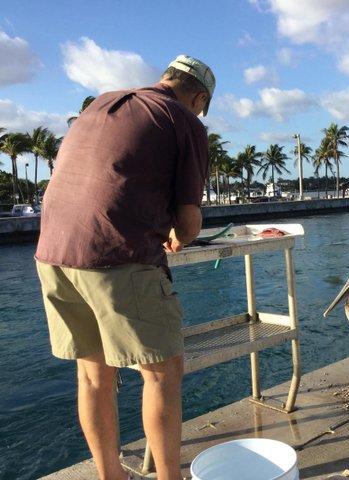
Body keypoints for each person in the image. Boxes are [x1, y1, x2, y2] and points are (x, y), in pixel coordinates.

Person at [35, 55, 215, 480]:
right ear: (199, 98)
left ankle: (110, 476)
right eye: (202, 109)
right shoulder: (184, 120)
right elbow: (188, 225)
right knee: (163, 373)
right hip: (115, 255)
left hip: (53, 253)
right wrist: (178, 235)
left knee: (93, 375)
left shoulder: (101, 103)